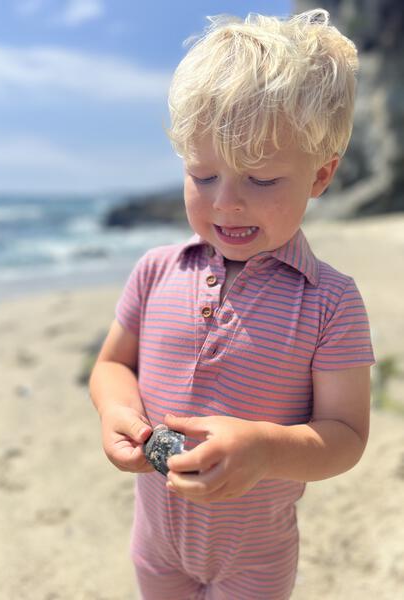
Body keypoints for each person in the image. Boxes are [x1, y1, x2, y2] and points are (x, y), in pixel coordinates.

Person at [89, 8, 375, 599]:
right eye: (203, 176)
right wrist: (115, 412)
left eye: (263, 180)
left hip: (256, 556)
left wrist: (267, 449)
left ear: (320, 175)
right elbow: (113, 364)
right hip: (157, 540)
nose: (227, 204)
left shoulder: (331, 301)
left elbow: (345, 436)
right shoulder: (156, 271)